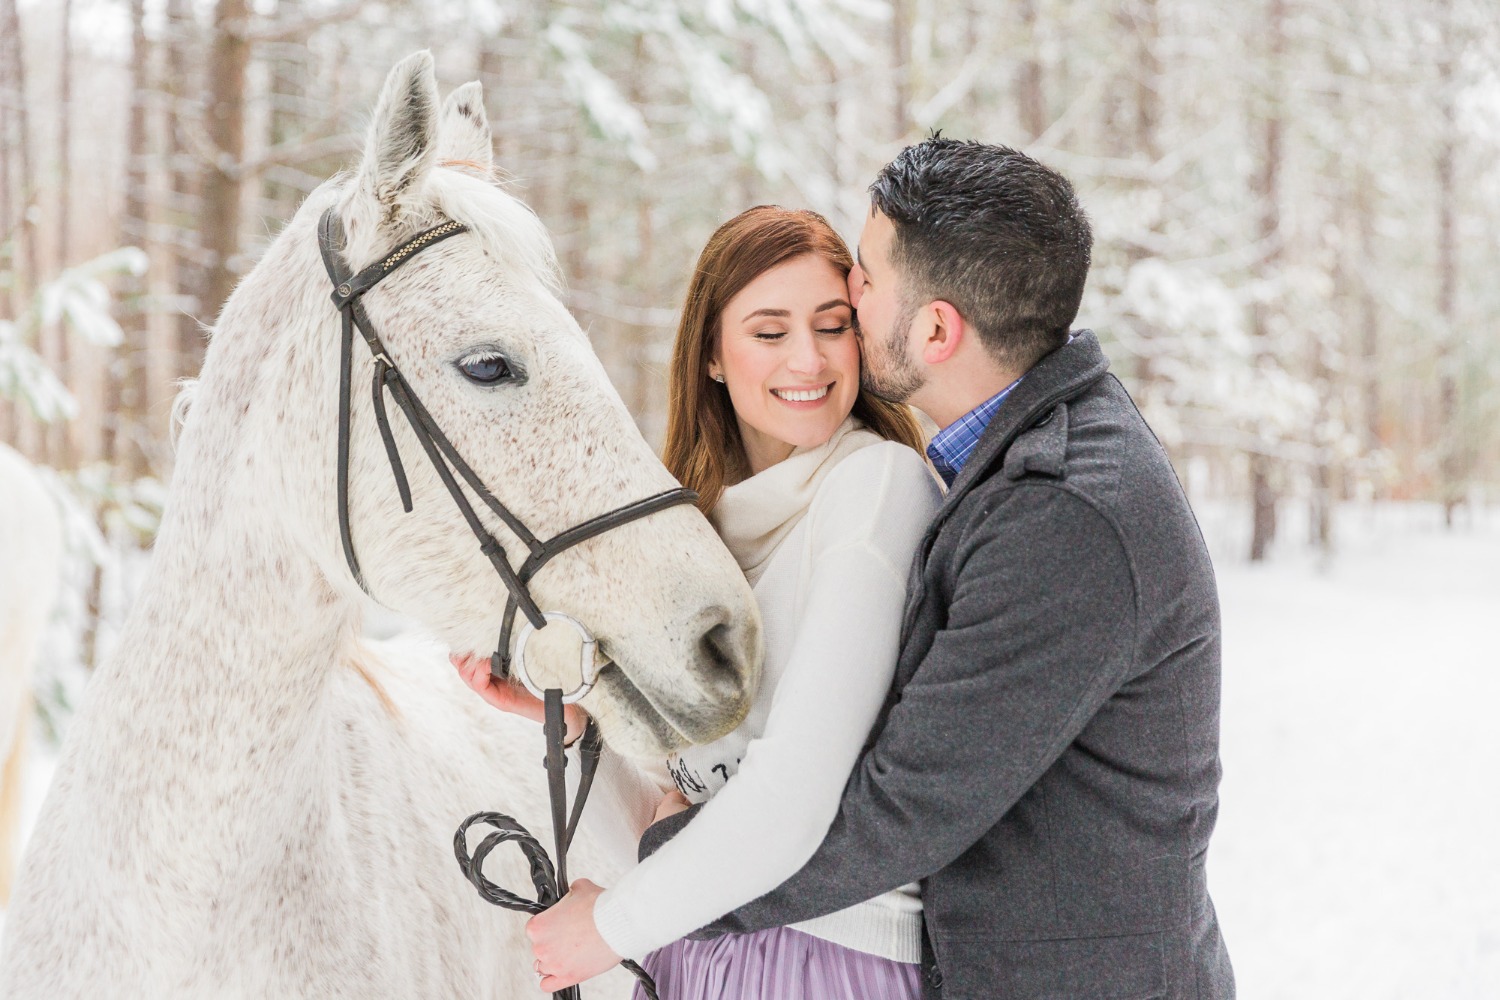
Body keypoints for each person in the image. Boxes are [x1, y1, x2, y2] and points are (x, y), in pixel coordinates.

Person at [524, 138, 1236, 999]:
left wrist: (633, 904)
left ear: (936, 328)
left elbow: (899, 811)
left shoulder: (1062, 509)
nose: (843, 310)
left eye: (861, 281)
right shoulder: (1011, 477)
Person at [455, 204, 942, 998]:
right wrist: (587, 718)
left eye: (832, 325)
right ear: (712, 354)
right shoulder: (702, 529)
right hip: (703, 946)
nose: (809, 359)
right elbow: (686, 806)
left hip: (823, 954)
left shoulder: (873, 486)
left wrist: (608, 928)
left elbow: (795, 792)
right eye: (769, 331)